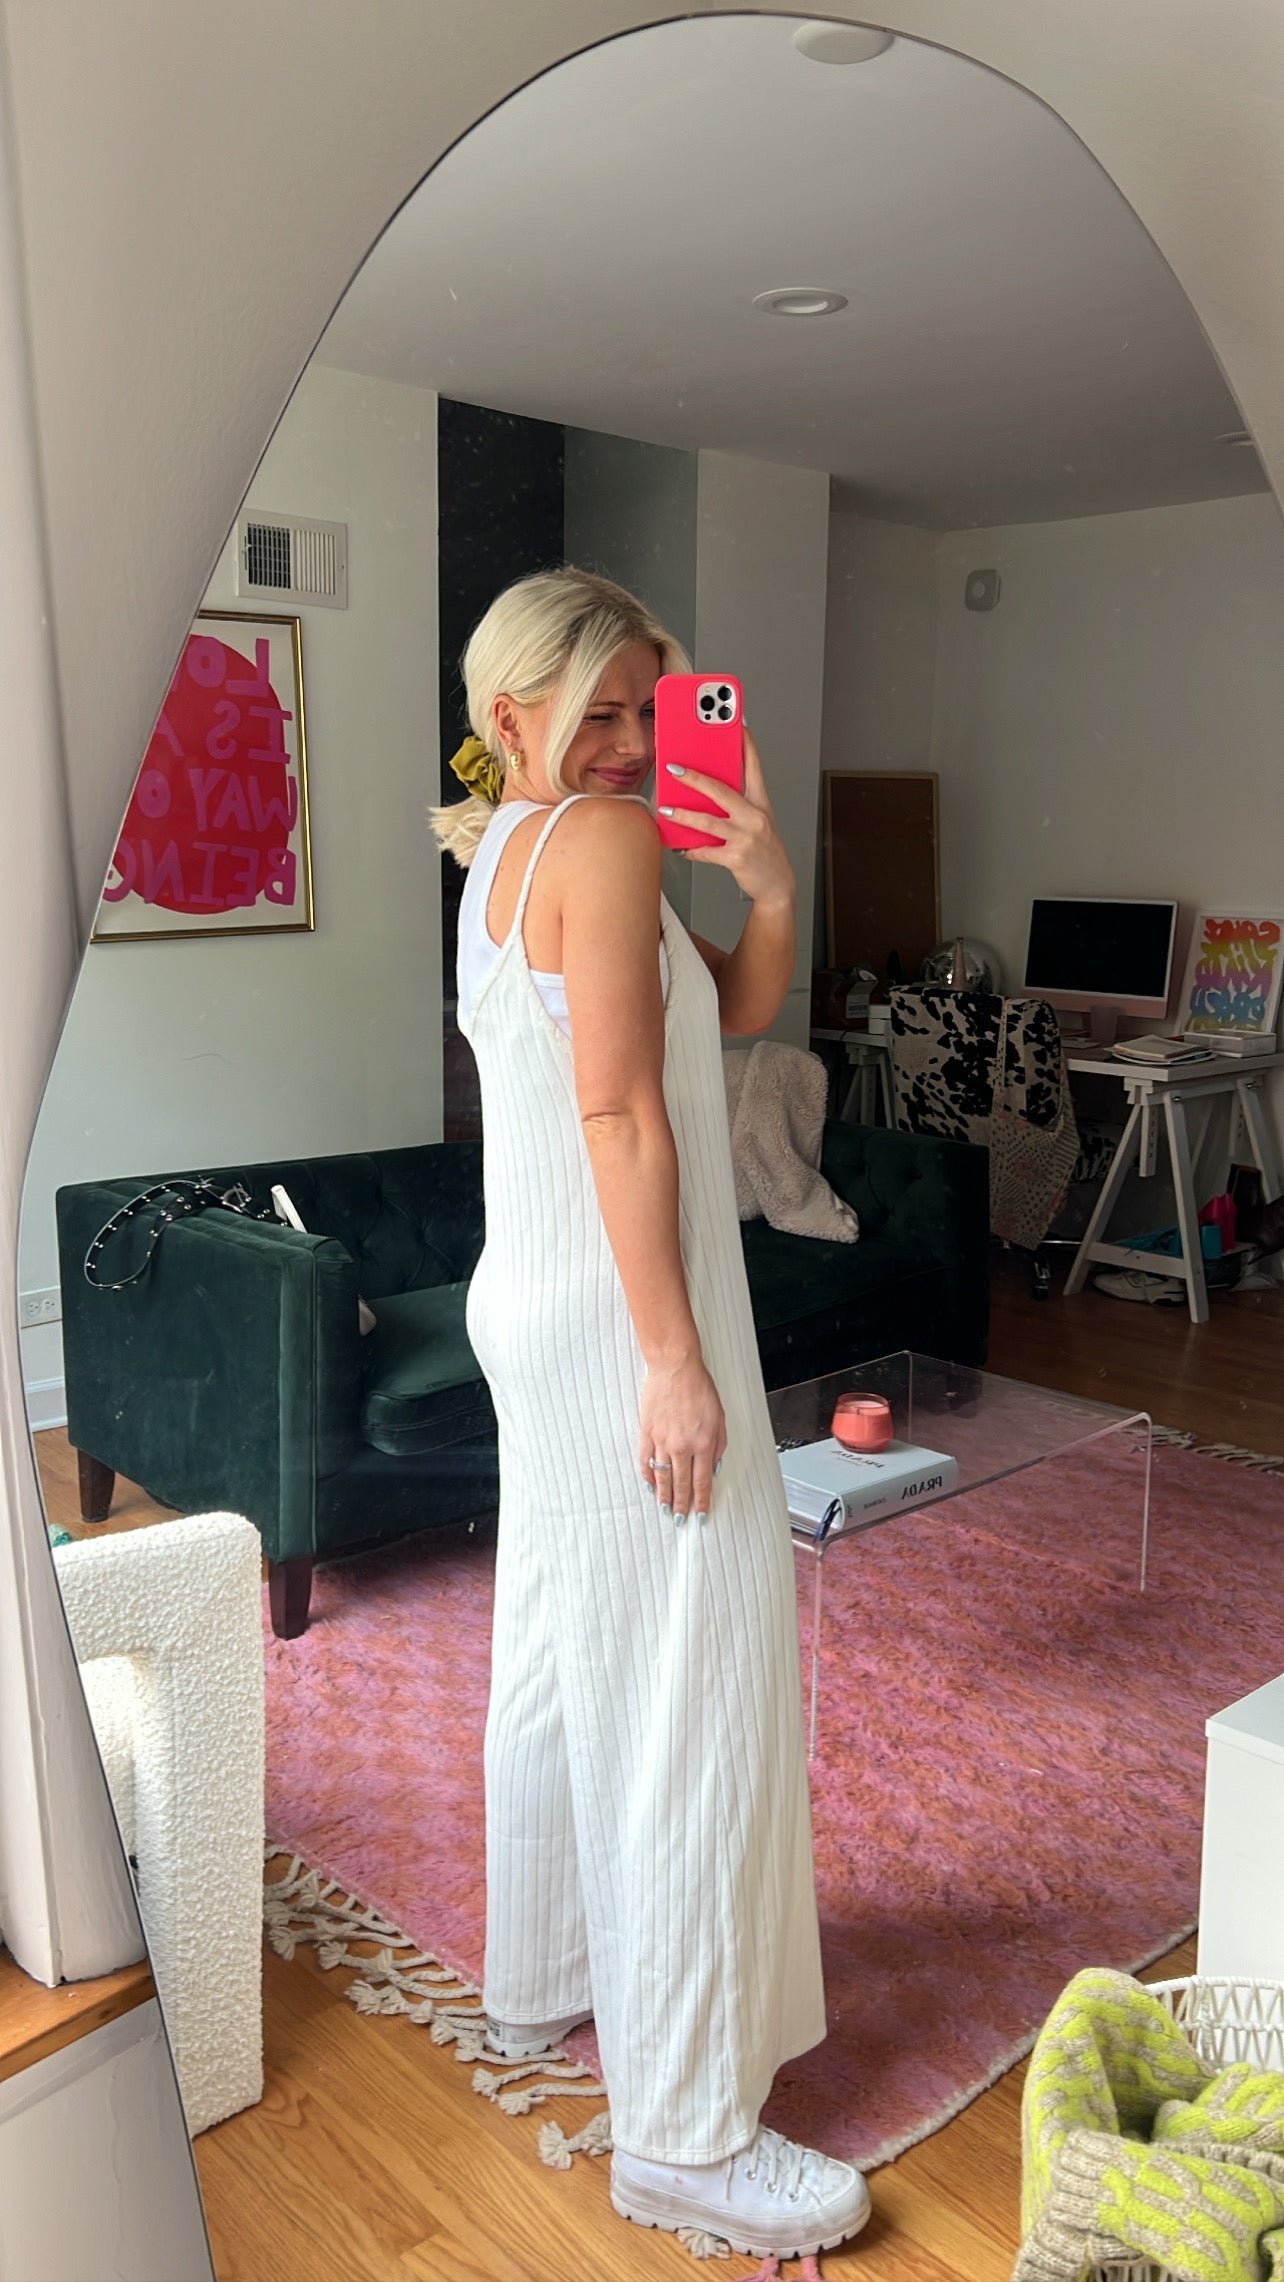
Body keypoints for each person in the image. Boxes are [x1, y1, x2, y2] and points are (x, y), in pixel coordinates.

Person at [431, 567, 869, 2263]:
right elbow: (621, 1115)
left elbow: (729, 1012)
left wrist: (768, 883)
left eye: (649, 705)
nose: (628, 741)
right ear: (512, 715)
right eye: (596, 710)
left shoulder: (507, 852)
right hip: (623, 1325)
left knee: (557, 1642)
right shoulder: (601, 842)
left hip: (537, 1310)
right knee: (696, 1678)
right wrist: (676, 1358)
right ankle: (686, 2134)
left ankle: (543, 1971)